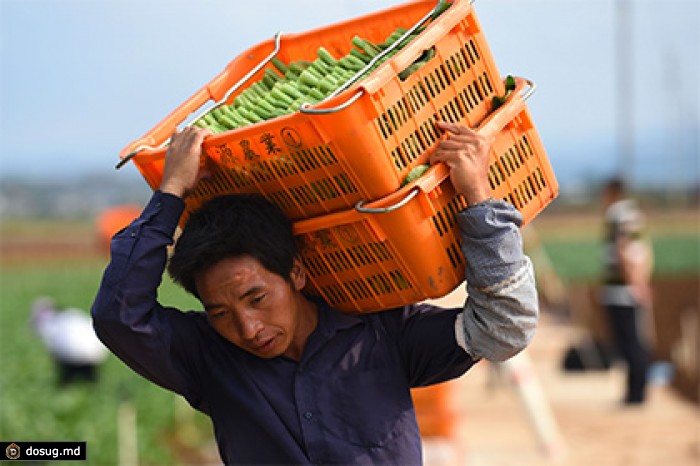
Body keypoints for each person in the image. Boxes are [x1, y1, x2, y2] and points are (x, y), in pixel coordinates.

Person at [91, 123, 539, 464]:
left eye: (256, 298)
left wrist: (477, 197)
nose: (247, 329)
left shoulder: (381, 334)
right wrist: (171, 192)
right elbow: (118, 316)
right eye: (220, 313)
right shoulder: (207, 358)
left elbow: (505, 326)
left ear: (297, 273)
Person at [599, 177, 655, 405]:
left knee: (630, 343)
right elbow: (643, 252)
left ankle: (635, 394)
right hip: (629, 287)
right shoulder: (633, 214)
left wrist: (635, 283)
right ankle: (636, 392)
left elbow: (625, 251)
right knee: (635, 341)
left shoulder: (618, 214)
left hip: (622, 291)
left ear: (612, 192)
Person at [31, 297, 108, 386]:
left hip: (69, 358)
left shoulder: (54, 323)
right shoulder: (74, 314)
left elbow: (51, 348)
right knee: (90, 382)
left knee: (66, 382)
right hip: (96, 355)